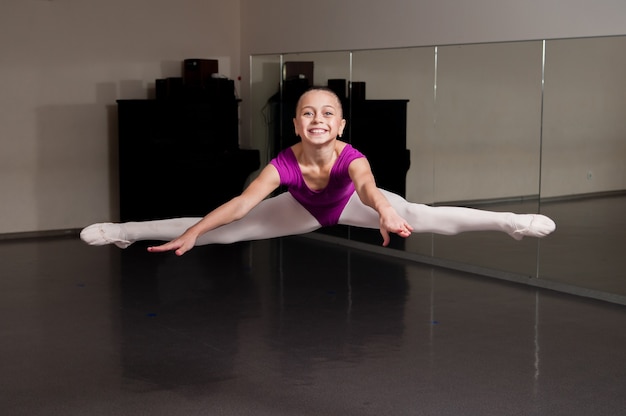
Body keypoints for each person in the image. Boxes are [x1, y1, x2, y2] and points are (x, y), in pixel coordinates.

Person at [80, 87, 555, 256]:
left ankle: (510, 224)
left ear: (340, 124)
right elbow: (244, 204)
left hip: (353, 205)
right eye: (308, 113)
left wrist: (388, 214)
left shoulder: (353, 158)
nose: (318, 120)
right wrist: (198, 232)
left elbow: (368, 190)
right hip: (300, 209)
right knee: (216, 231)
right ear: (296, 123)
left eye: (328, 113)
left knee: (425, 216)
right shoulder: (284, 162)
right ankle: (126, 231)